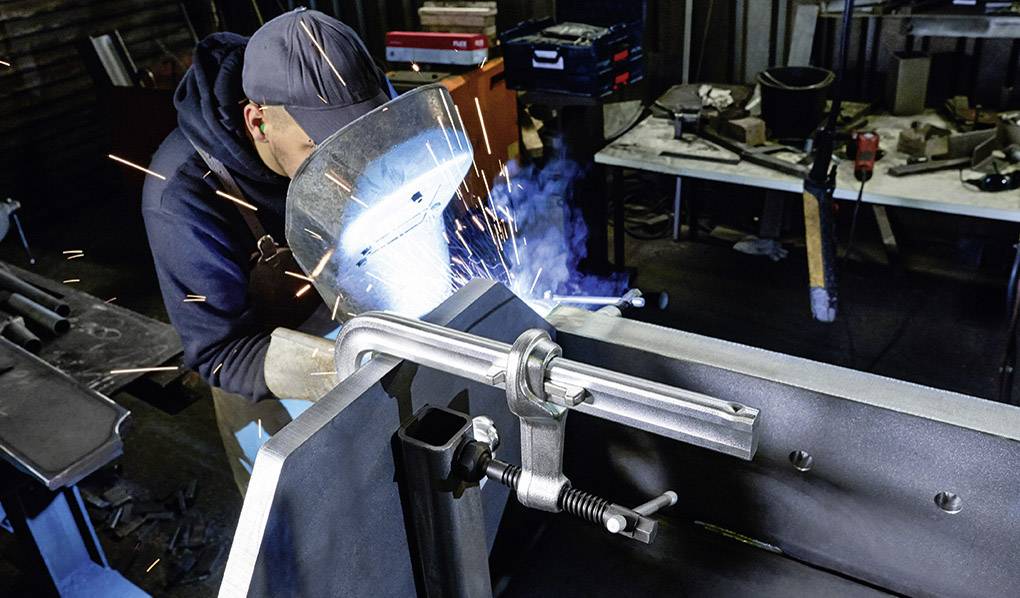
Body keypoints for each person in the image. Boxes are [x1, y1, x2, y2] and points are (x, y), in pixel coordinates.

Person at [142, 8, 393, 494]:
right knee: (304, 530)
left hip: (361, 325)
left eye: (361, 141)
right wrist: (346, 366)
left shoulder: (358, 104)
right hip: (265, 379)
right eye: (318, 150)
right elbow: (219, 353)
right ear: (258, 123)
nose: (348, 171)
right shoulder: (182, 195)